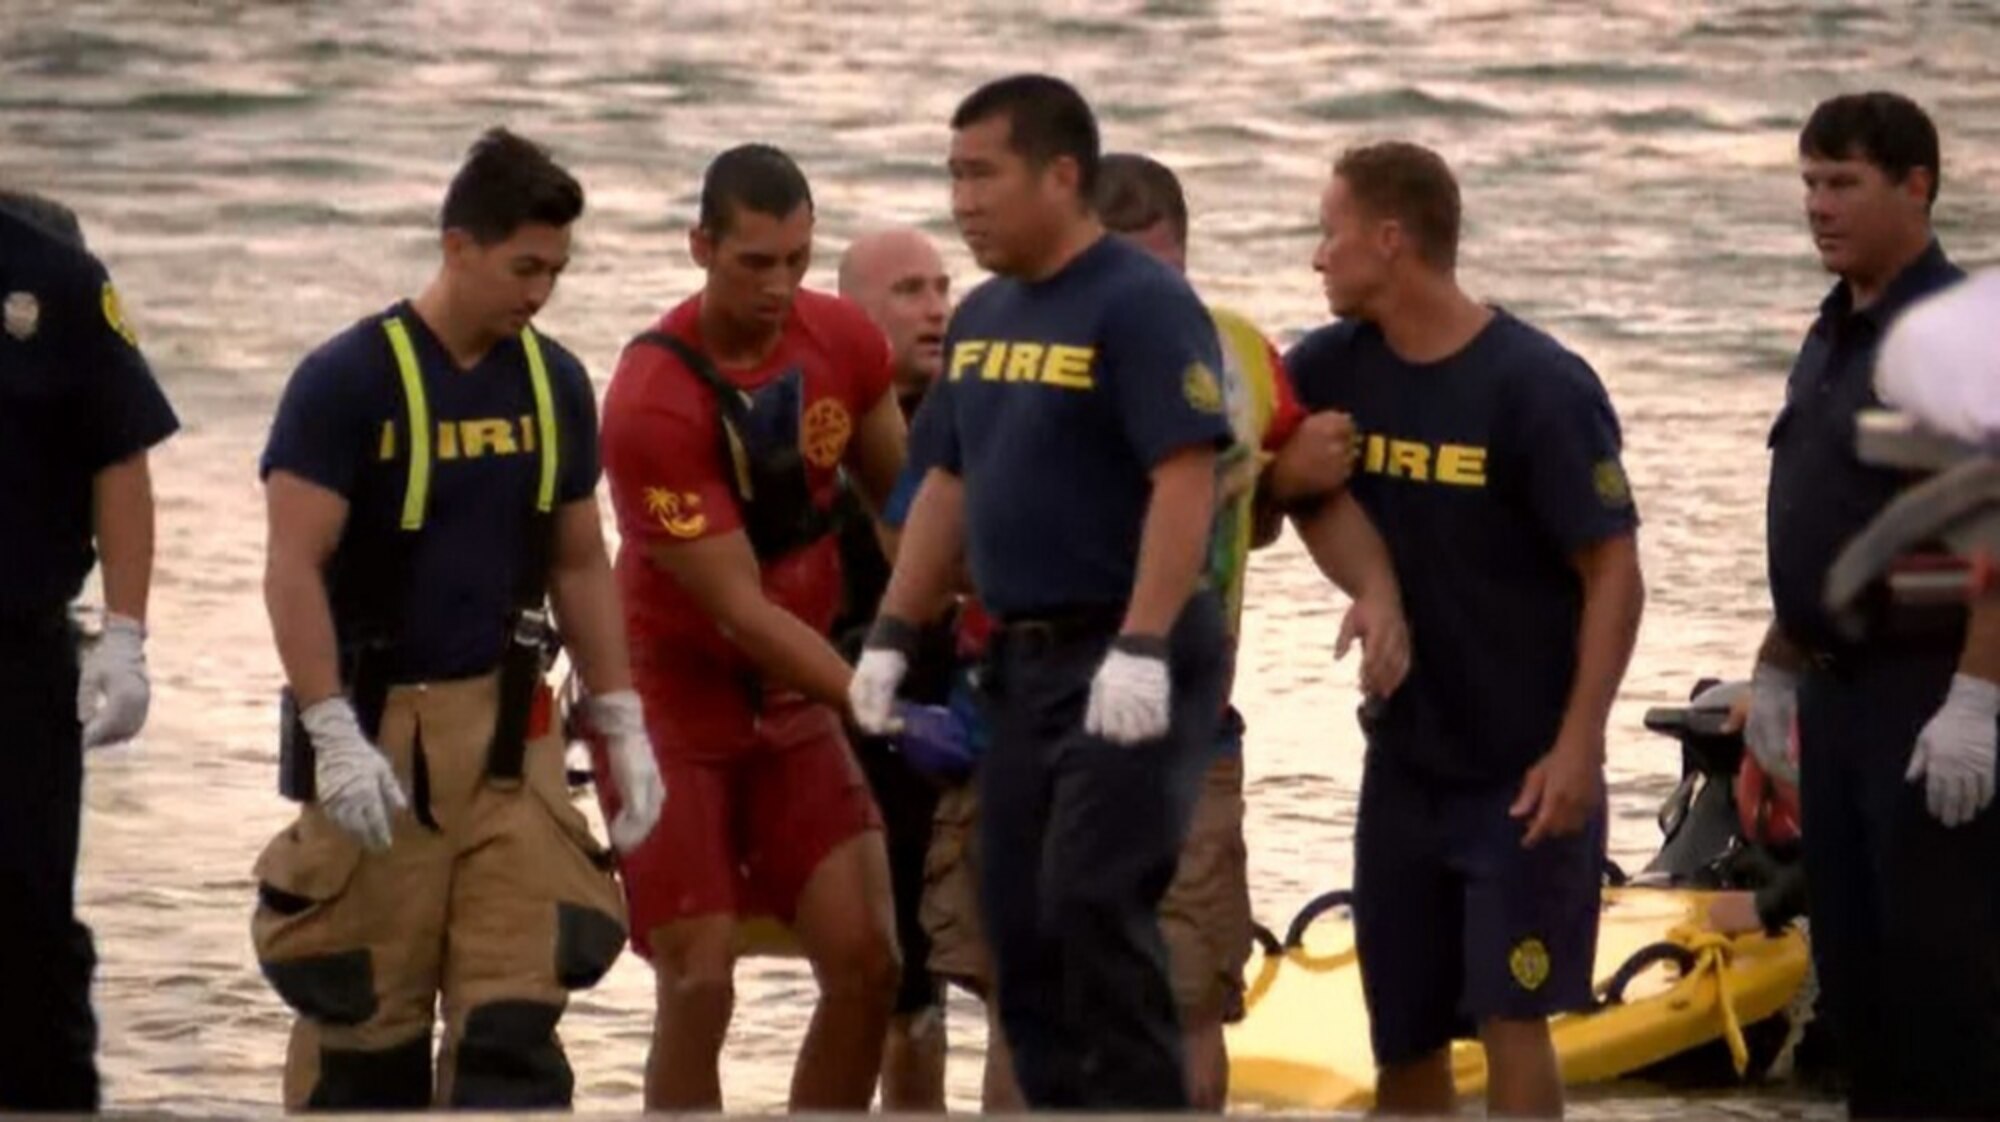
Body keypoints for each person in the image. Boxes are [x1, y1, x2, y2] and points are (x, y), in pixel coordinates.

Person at [251, 128, 660, 1110]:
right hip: (379, 725)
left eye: (555, 271)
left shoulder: (553, 383)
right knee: (364, 1028)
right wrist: (330, 729)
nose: (538, 292)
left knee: (515, 1028)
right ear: (456, 246)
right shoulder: (347, 380)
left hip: (513, 737)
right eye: (523, 266)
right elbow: (291, 567)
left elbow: (578, 562)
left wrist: (621, 719)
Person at [850, 73, 1234, 1111]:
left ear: (1061, 176)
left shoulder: (1141, 303)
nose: (963, 200)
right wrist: (890, 633)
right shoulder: (982, 317)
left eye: (984, 174)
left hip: (1133, 651)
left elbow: (1184, 478)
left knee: (1094, 901)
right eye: (952, 176)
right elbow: (944, 481)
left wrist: (1145, 645)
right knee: (1015, 922)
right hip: (1019, 659)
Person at [1285, 141, 1646, 1118]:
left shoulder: (1535, 385)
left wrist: (1580, 747)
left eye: (1329, 233)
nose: (1316, 258)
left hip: (1523, 770)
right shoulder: (1327, 367)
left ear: (1389, 240)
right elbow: (1255, 473)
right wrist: (1363, 572)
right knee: (1400, 1035)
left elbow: (1612, 571)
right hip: (1403, 764)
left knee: (1510, 1017)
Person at [597, 143, 907, 1112]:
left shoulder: (845, 341)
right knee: (700, 979)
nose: (780, 287)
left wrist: (971, 634)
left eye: (797, 260)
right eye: (754, 264)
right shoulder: (652, 397)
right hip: (669, 700)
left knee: (869, 964)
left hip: (793, 702)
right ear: (700, 247)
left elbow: (905, 511)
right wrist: (872, 699)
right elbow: (736, 610)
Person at [1745, 90, 1993, 1119]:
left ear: (1915, 187)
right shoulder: (1831, 329)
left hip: (1923, 700)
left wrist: (1975, 700)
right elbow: (1822, 516)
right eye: (1807, 183)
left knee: (1944, 1002)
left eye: (1841, 183)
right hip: (1832, 702)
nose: (1817, 205)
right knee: (1854, 998)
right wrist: (1772, 666)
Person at [0, 188, 177, 1111]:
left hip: (16, 659)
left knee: (27, 937)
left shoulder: (50, 274)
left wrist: (125, 635)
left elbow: (120, 453)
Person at [831, 225, 954, 1112]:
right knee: (884, 980)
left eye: (944, 287)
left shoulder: (973, 412)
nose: (937, 308)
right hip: (844, 725)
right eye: (910, 290)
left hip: (960, 714)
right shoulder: (819, 428)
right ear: (852, 316)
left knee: (940, 988)